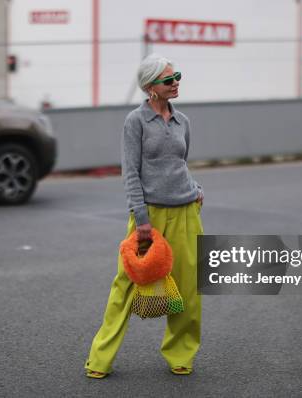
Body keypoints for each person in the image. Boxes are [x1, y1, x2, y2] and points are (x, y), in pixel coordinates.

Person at [84, 53, 204, 378]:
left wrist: (196, 188)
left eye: (177, 76)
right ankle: (100, 358)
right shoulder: (135, 121)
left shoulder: (183, 122)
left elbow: (180, 163)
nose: (176, 82)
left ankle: (181, 353)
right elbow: (131, 173)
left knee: (188, 289)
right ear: (150, 86)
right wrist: (142, 218)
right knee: (125, 284)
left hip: (187, 212)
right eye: (169, 79)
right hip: (150, 215)